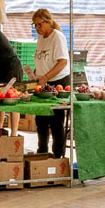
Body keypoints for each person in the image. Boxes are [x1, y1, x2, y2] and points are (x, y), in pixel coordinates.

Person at [29, 9, 71, 158]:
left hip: (57, 81)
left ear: (48, 22)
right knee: (40, 119)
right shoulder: (41, 37)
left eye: (39, 24)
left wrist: (46, 76)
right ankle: (42, 152)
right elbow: (42, 58)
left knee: (55, 121)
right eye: (35, 25)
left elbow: (62, 62)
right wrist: (35, 73)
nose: (37, 28)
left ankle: (57, 156)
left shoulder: (57, 37)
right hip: (43, 82)